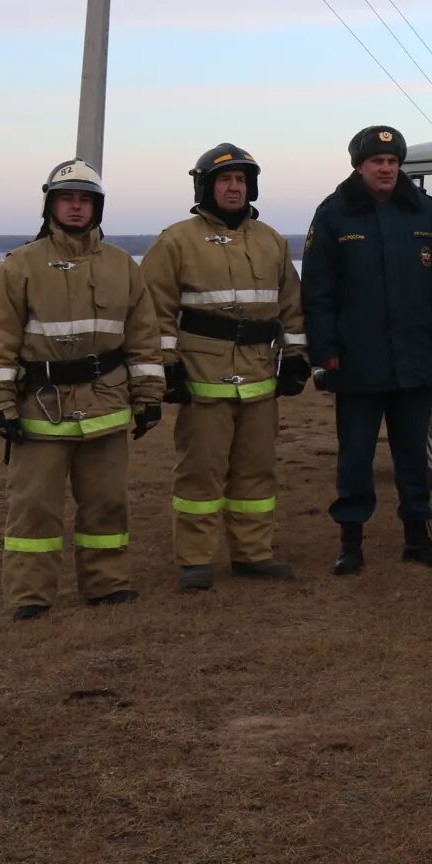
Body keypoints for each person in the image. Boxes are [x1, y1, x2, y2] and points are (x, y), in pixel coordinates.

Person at [0, 160, 164, 620]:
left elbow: (143, 337)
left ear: (97, 207)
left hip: (108, 404)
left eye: (84, 199)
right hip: (41, 409)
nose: (76, 208)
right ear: (51, 205)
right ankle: (30, 597)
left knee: (107, 504)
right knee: (33, 510)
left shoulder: (123, 266)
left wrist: (149, 395)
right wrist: (0, 404)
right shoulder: (19, 266)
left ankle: (106, 585)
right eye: (67, 198)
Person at [140, 143, 310, 592]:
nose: (234, 188)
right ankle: (195, 559)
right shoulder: (176, 240)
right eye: (224, 180)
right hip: (202, 380)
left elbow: (291, 306)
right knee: (201, 472)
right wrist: (167, 367)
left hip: (259, 380)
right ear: (206, 186)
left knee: (256, 471)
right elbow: (154, 312)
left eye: (241, 180)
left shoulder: (272, 241)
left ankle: (253, 554)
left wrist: (296, 355)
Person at [302, 126, 432, 576]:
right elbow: (317, 289)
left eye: (393, 162)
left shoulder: (425, 211)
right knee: (356, 458)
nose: (387, 169)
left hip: (414, 359)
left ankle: (418, 537)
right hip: (356, 361)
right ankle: (350, 542)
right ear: (359, 165)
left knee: (414, 455)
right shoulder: (335, 214)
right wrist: (325, 349)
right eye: (377, 161)